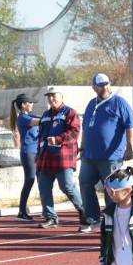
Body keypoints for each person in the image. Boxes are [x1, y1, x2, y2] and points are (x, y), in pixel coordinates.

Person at [79, 73, 133, 233]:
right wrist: (82, 147)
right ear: (93, 87)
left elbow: (130, 126)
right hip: (89, 156)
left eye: (106, 84)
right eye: (100, 84)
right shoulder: (91, 104)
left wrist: (130, 146)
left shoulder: (119, 103)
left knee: (112, 189)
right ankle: (93, 218)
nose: (104, 87)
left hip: (111, 157)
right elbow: (85, 127)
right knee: (85, 184)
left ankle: (114, 219)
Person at [35, 87, 86, 229]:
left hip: (63, 157)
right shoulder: (45, 115)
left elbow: (74, 132)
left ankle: (84, 211)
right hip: (45, 157)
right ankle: (51, 217)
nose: (51, 99)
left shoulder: (70, 112)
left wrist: (58, 139)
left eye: (54, 96)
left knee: (67, 186)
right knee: (44, 187)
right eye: (49, 96)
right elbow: (41, 136)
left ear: (62, 97)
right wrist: (38, 153)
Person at [10, 93, 39, 221]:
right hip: (28, 153)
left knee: (40, 179)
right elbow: (39, 121)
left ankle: (46, 210)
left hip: (35, 152)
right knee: (30, 180)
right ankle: (22, 211)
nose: (32, 105)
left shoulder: (29, 115)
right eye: (30, 102)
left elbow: (40, 118)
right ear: (23, 105)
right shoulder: (23, 118)